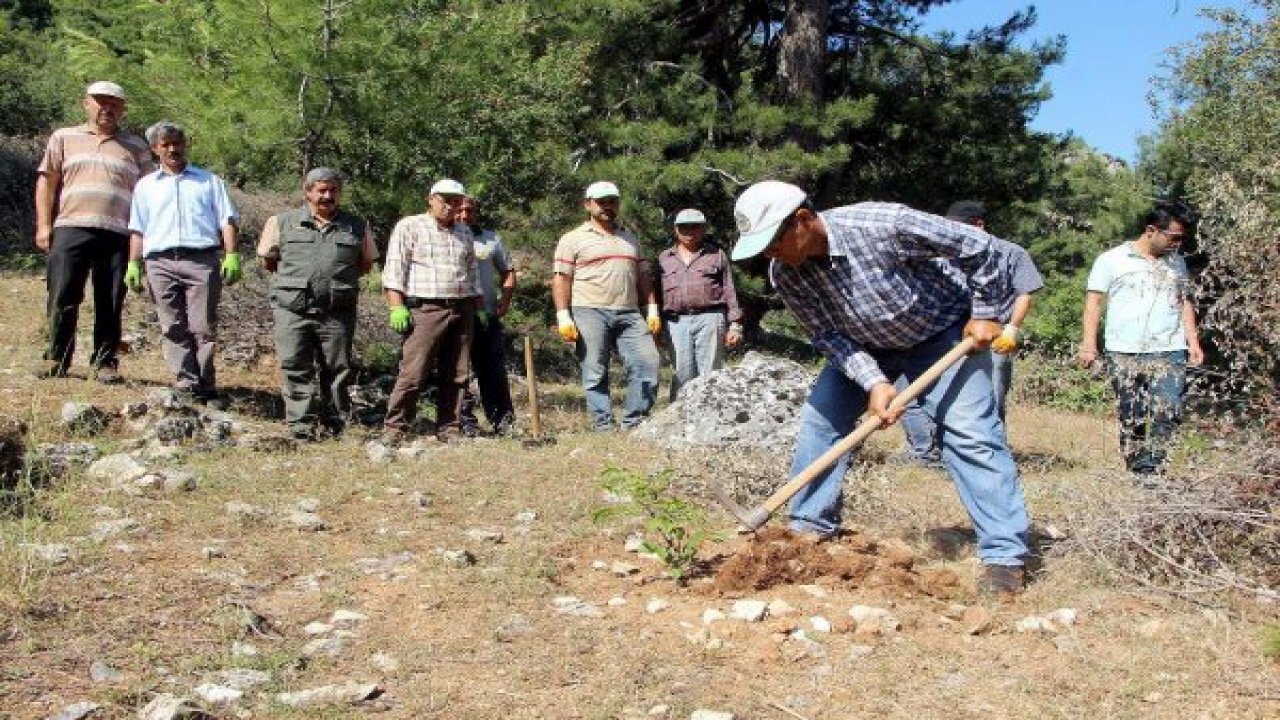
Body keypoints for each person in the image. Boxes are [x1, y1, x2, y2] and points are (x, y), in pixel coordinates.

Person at [731, 180, 1031, 596]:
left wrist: (984, 312)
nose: (769, 254)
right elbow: (825, 335)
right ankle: (808, 530)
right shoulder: (786, 274)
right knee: (821, 420)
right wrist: (874, 382)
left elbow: (980, 247)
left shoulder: (882, 223)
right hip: (864, 347)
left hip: (942, 334)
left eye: (772, 241)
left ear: (802, 220)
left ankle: (1004, 557)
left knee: (969, 433)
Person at [894, 200, 1045, 464]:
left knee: (990, 398)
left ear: (979, 225)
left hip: (993, 337)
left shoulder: (1012, 253)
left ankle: (993, 456)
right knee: (907, 390)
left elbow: (1025, 293)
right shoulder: (945, 252)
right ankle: (927, 452)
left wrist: (1012, 329)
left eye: (959, 227)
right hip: (946, 335)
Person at [35, 81, 155, 383]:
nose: (107, 107)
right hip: (70, 227)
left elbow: (150, 193)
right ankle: (55, 358)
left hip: (118, 233)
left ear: (123, 109)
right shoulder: (64, 137)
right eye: (100, 101)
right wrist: (43, 225)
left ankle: (104, 362)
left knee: (111, 298)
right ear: (85, 104)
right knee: (62, 294)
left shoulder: (137, 146)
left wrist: (145, 240)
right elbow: (47, 182)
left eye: (114, 103)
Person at [1079, 202, 1204, 476]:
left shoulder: (1177, 262)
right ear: (1151, 230)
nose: (1178, 244)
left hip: (1170, 349)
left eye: (1182, 238)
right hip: (1124, 351)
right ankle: (1137, 469)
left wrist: (1192, 341)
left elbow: (1184, 302)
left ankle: (1153, 469)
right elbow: (1094, 303)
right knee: (1131, 414)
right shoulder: (1111, 259)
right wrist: (1089, 345)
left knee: (1168, 410)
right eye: (1174, 237)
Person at [258, 168, 377, 441]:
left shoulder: (357, 226)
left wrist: (334, 284)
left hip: (337, 312)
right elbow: (269, 261)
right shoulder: (281, 222)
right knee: (295, 365)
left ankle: (336, 423)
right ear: (308, 192)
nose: (327, 196)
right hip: (292, 309)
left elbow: (365, 264)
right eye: (321, 190)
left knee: (337, 368)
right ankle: (302, 427)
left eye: (333, 190)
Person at [125, 122, 241, 405]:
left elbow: (227, 219)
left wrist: (232, 254)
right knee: (172, 325)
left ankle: (205, 384)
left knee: (202, 326)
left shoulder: (208, 181)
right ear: (155, 149)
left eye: (177, 143)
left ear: (185, 144)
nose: (172, 149)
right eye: (165, 145)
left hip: (201, 259)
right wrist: (134, 263)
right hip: (159, 262)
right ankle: (185, 383)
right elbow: (138, 228)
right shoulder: (145, 186)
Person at [553, 181, 661, 432]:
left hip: (629, 312)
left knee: (647, 363)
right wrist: (562, 315)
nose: (607, 207)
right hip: (588, 310)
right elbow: (561, 278)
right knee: (594, 369)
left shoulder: (630, 239)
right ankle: (603, 425)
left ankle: (634, 421)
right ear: (587, 205)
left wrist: (652, 308)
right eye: (601, 202)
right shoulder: (572, 239)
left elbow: (643, 276)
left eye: (612, 201)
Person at [382, 179, 479, 443]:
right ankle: (395, 429)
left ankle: (450, 428)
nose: (451, 206)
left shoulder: (464, 232)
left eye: (456, 201)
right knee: (414, 372)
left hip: (461, 307)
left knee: (458, 373)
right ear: (431, 199)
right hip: (425, 308)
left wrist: (477, 305)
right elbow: (394, 271)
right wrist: (396, 306)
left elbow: (471, 271)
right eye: (445, 200)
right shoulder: (410, 226)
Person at [655, 208, 744, 399]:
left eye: (695, 227)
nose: (689, 231)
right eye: (683, 227)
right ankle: (679, 418)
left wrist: (735, 325)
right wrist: (656, 326)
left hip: (711, 319)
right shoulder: (663, 258)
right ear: (675, 230)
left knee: (711, 373)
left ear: (704, 229)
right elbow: (655, 293)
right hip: (676, 322)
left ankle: (711, 416)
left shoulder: (717, 255)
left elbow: (729, 289)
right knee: (682, 373)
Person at [457, 195, 516, 435]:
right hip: (455, 314)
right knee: (458, 370)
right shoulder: (444, 236)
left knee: (492, 369)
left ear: (476, 212)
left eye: (469, 211)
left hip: (486, 316)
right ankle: (463, 421)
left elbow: (508, 273)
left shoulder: (491, 239)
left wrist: (505, 300)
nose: (463, 215)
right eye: (459, 210)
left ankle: (502, 421)